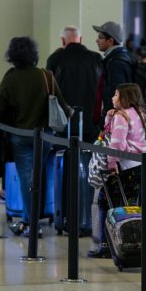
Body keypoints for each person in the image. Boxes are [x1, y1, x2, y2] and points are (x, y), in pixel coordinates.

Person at [0, 37, 68, 237]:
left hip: (19, 136)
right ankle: (29, 220)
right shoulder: (46, 75)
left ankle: (32, 224)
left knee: (27, 179)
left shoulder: (10, 79)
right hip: (44, 136)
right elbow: (64, 107)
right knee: (40, 176)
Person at [46, 25, 102, 236]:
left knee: (66, 166)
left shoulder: (55, 59)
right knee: (91, 168)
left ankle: (67, 216)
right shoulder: (96, 58)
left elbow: (51, 91)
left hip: (65, 124)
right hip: (91, 122)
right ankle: (88, 218)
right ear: (81, 39)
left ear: (63, 41)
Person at [89, 83, 146, 257]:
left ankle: (107, 246)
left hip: (122, 169)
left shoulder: (121, 117)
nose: (112, 98)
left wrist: (112, 165)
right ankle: (129, 242)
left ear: (124, 98)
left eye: (115, 95)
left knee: (107, 204)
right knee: (129, 206)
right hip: (137, 167)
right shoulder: (139, 114)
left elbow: (116, 145)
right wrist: (109, 119)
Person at [93, 21, 134, 120]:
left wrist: (108, 119)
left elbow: (116, 94)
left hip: (114, 117)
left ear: (110, 41)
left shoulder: (116, 62)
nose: (96, 40)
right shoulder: (118, 58)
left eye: (100, 37)